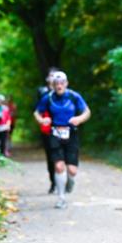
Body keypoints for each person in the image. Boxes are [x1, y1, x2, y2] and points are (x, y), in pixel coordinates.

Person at [33, 70, 90, 209]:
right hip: (55, 133)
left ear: (66, 83)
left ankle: (70, 182)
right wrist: (42, 120)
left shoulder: (73, 96)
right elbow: (36, 112)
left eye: (62, 83)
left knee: (72, 171)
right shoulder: (48, 98)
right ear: (53, 84)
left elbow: (87, 112)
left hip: (71, 133)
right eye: (56, 83)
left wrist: (79, 119)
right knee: (59, 167)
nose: (59, 86)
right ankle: (61, 198)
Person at [35, 71, 56, 193]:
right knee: (50, 156)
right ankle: (53, 181)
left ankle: (62, 179)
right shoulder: (42, 92)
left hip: (62, 127)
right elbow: (38, 109)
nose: (53, 78)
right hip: (47, 128)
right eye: (51, 76)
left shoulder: (66, 93)